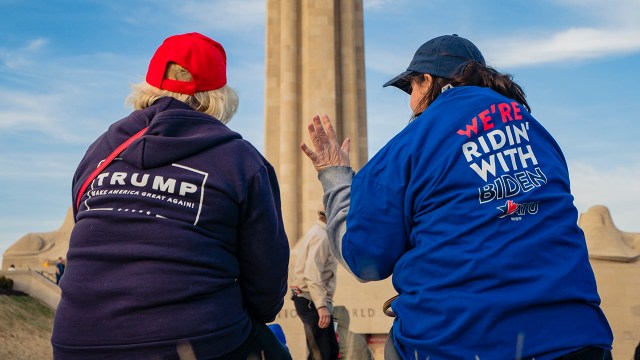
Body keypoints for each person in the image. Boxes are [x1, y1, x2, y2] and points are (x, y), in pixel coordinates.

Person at [300, 34, 613, 359]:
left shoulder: (410, 146)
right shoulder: (539, 134)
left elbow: (364, 257)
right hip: (578, 340)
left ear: (428, 81)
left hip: (458, 343)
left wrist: (334, 174)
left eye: (412, 88)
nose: (411, 101)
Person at [52, 32, 291, 360]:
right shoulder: (240, 161)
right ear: (218, 97)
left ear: (148, 86)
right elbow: (266, 288)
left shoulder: (99, 152)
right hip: (195, 341)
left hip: (75, 343)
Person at [290, 205, 339, 360]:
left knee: (329, 350)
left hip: (310, 299)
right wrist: (322, 306)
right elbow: (312, 274)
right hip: (310, 300)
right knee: (322, 353)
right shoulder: (321, 236)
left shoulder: (320, 233)